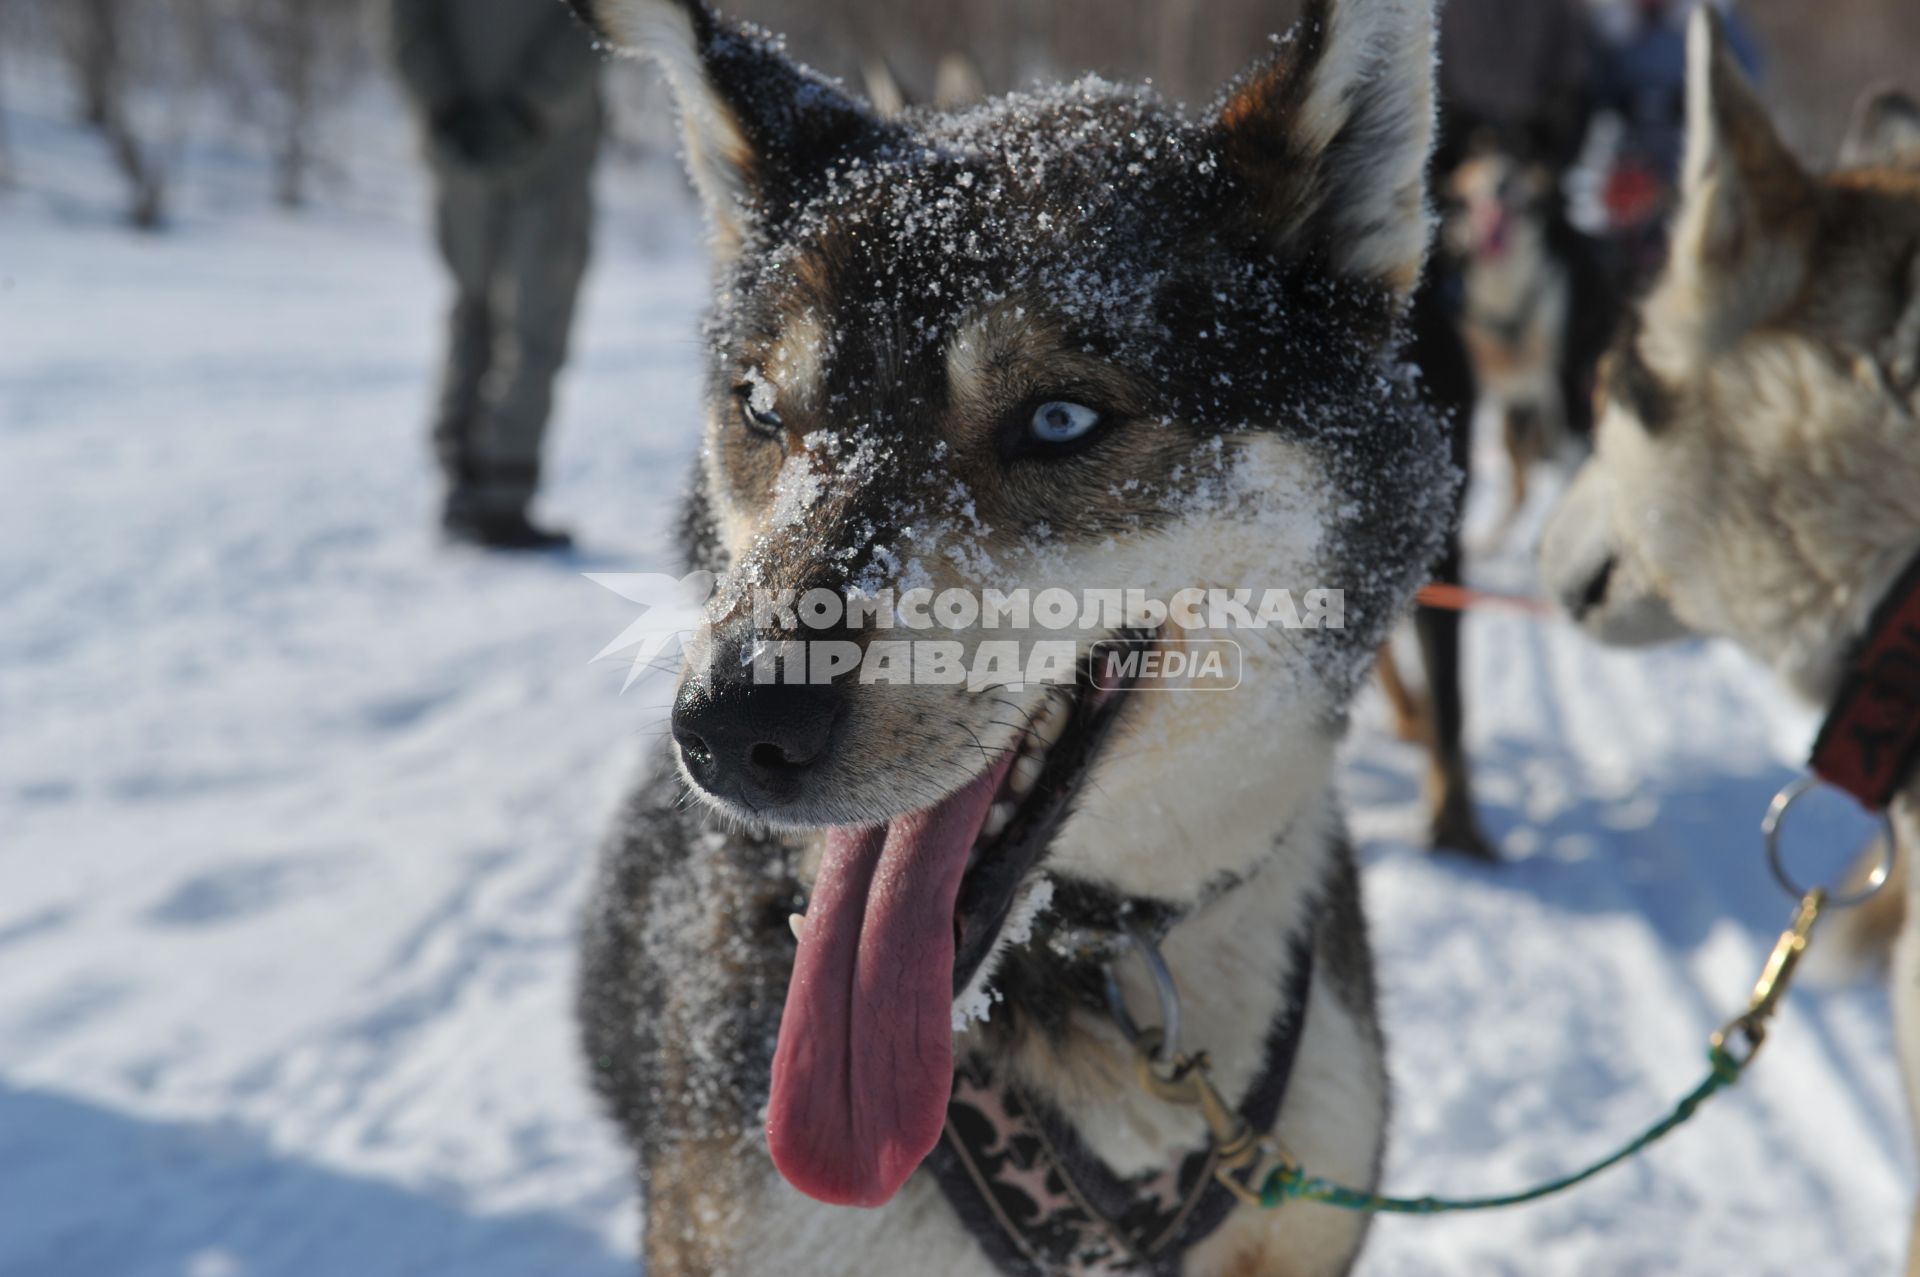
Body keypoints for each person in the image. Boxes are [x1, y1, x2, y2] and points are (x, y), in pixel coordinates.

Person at [389, 0, 603, 550]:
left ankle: (465, 480)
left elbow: (404, 27)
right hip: (543, 145)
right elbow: (593, 21)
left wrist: (445, 108)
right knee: (529, 320)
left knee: (475, 307)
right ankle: (497, 494)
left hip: (471, 143)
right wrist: (525, 108)